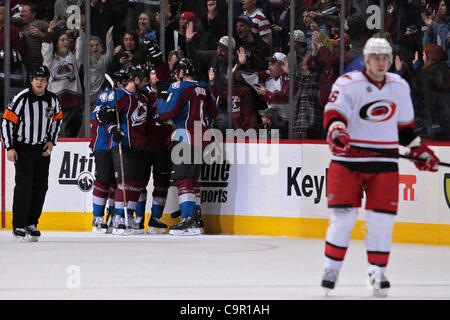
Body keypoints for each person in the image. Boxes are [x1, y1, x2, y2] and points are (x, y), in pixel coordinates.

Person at [321, 37, 441, 297]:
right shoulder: (348, 83)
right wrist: (337, 131)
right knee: (343, 219)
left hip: (384, 163)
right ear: (366, 59)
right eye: (375, 57)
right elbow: (333, 115)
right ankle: (331, 268)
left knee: (381, 221)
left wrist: (419, 151)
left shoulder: (398, 86)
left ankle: (378, 272)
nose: (380, 62)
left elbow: (405, 130)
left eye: (384, 58)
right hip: (348, 161)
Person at [156, 58, 218, 236]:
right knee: (192, 180)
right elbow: (214, 112)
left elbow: (166, 112)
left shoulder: (180, 86)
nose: (176, 76)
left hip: (186, 137)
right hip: (204, 138)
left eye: (177, 73)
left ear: (181, 73)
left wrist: (161, 98)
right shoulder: (204, 87)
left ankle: (188, 219)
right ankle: (196, 220)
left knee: (183, 179)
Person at [0, 64, 62, 241]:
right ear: (31, 80)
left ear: (47, 81)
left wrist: (51, 141)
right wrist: (9, 147)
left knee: (41, 186)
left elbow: (57, 120)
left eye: (43, 80)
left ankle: (31, 222)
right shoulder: (22, 98)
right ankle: (19, 224)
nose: (40, 83)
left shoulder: (53, 100)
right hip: (23, 147)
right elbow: (7, 122)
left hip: (41, 148)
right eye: (37, 79)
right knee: (24, 185)